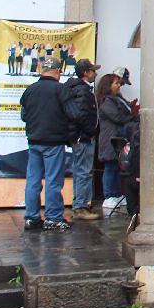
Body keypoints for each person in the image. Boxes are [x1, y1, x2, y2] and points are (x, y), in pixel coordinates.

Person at [20, 57, 75, 231]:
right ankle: (53, 218)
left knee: (33, 180)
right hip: (54, 141)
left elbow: (23, 115)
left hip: (34, 141)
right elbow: (72, 113)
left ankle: (32, 217)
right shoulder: (61, 90)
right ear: (58, 71)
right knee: (53, 180)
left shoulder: (30, 90)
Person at [64, 58, 101, 221]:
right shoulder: (82, 91)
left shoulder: (78, 89)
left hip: (81, 136)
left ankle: (81, 203)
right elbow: (80, 114)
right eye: (93, 70)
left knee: (81, 170)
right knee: (83, 172)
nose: (95, 73)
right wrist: (89, 130)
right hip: (83, 137)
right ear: (86, 73)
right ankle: (81, 206)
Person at [95, 73, 133, 211]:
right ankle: (109, 195)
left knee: (117, 167)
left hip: (119, 138)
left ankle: (117, 194)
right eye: (116, 84)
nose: (119, 86)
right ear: (108, 86)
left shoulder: (117, 99)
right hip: (110, 139)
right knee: (110, 167)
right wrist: (129, 116)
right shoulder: (107, 102)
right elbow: (118, 117)